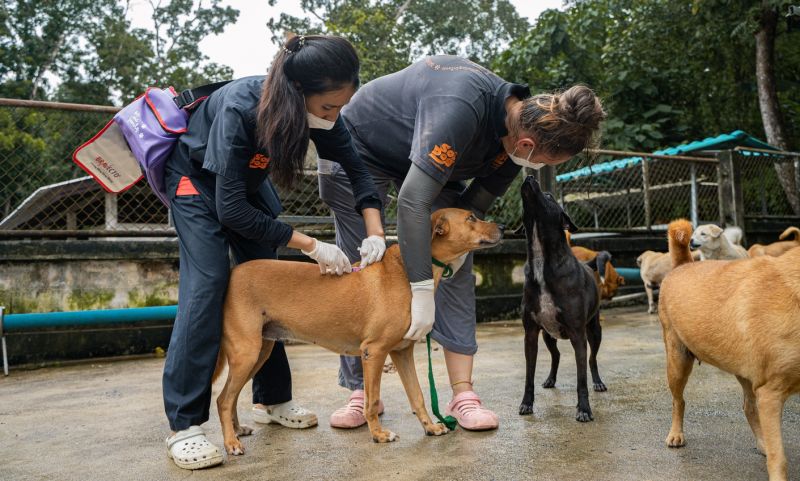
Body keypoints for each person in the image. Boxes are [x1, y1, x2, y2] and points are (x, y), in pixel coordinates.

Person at [319, 55, 605, 431]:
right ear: (528, 143)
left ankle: (463, 393)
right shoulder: (459, 108)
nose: (543, 168)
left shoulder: (518, 138)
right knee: (363, 266)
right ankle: (360, 390)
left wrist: (445, 259)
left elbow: (469, 212)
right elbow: (411, 202)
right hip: (359, 148)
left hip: (427, 162)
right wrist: (422, 290)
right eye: (550, 162)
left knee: (458, 252)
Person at [162, 35, 385, 470]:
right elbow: (229, 210)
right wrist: (312, 245)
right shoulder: (241, 111)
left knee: (270, 285)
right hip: (195, 184)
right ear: (299, 93)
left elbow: (358, 170)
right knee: (208, 283)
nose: (333, 118)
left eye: (340, 108)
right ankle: (184, 425)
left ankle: (272, 400)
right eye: (327, 109)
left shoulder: (321, 111)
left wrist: (376, 232)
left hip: (243, 185)